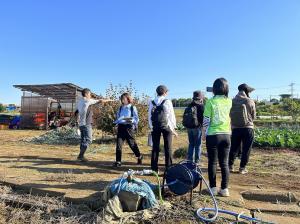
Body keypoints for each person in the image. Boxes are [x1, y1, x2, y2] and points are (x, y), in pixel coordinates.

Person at [202, 78, 232, 197]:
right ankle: (224, 189)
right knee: (224, 163)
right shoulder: (229, 101)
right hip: (226, 135)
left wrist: (204, 133)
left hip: (213, 135)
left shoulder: (210, 102)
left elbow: (206, 120)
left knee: (212, 162)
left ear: (214, 89)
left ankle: (213, 188)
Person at [76, 88, 111, 162]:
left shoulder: (79, 102)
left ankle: (81, 156)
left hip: (81, 124)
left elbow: (77, 112)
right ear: (86, 94)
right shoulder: (87, 100)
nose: (90, 95)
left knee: (83, 140)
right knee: (89, 140)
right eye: (89, 94)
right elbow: (100, 101)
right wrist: (109, 100)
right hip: (86, 124)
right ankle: (80, 155)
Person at [229, 84, 256, 175]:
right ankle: (242, 168)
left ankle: (230, 166)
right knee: (246, 149)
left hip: (235, 128)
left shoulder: (232, 101)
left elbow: (230, 114)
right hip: (248, 128)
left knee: (233, 147)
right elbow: (253, 116)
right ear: (247, 91)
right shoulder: (249, 101)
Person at [149, 85, 177, 172]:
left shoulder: (152, 102)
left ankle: (154, 169)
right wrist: (173, 128)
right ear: (165, 92)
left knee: (155, 147)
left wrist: (151, 127)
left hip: (155, 126)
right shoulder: (167, 101)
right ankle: (168, 168)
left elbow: (149, 115)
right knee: (168, 147)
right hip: (166, 126)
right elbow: (171, 115)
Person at [113, 93, 143, 167]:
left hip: (129, 128)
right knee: (118, 145)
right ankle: (118, 161)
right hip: (121, 127)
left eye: (124, 98)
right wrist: (116, 122)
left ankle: (139, 156)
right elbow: (118, 118)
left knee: (132, 144)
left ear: (128, 99)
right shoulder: (120, 108)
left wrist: (129, 120)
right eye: (121, 98)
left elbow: (136, 119)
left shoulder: (132, 108)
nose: (122, 100)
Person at [182, 91, 204, 164]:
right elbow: (202, 119)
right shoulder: (201, 106)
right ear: (201, 98)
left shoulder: (190, 105)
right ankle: (197, 161)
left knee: (191, 144)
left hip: (189, 128)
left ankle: (189, 160)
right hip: (197, 128)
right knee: (198, 145)